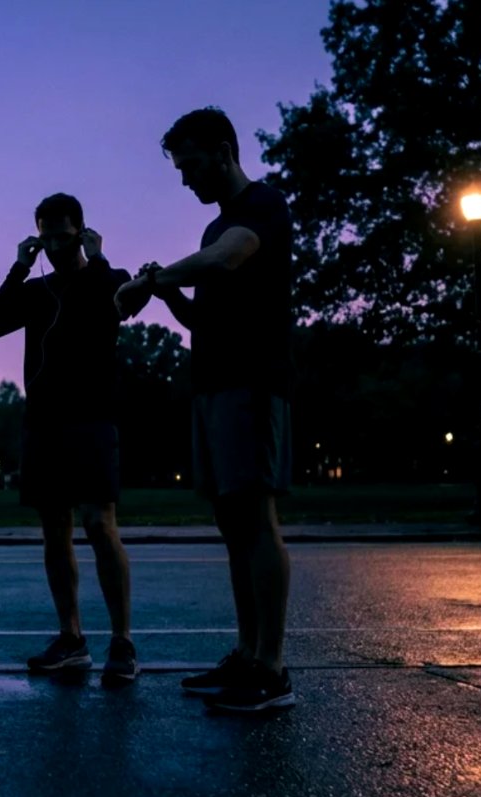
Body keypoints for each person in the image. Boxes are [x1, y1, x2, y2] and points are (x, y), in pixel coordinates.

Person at [115, 106, 299, 712]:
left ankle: (271, 669)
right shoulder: (212, 229)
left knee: (255, 516)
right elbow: (204, 316)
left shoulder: (261, 207)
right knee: (231, 525)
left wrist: (155, 278)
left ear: (223, 152)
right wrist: (169, 295)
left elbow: (228, 259)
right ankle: (247, 655)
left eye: (191, 165)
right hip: (214, 385)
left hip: (252, 382)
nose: (186, 179)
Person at [0, 193, 137, 685]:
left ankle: (122, 642)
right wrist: (18, 268)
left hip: (91, 418)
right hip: (44, 421)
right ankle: (71, 640)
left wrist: (98, 258)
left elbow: (124, 299)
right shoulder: (35, 290)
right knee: (55, 529)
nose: (52, 246)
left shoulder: (104, 278)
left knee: (98, 523)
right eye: (44, 237)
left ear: (82, 233)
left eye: (61, 237)